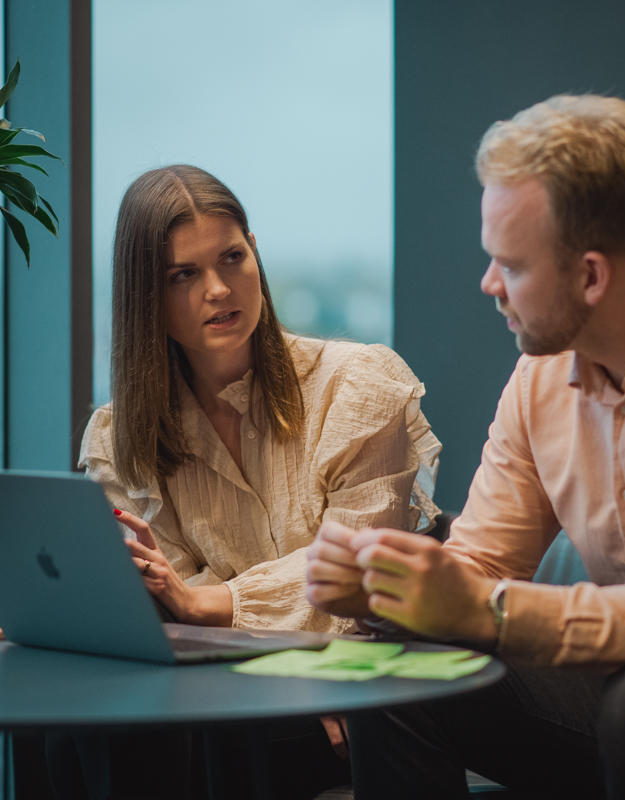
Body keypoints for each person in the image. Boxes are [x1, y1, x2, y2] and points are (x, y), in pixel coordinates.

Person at [306, 94, 625, 799]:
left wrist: (493, 611)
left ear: (592, 275)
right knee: (401, 664)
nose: (489, 285)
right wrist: (389, 590)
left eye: (510, 264)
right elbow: (479, 564)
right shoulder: (540, 379)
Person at [48, 164, 441, 800]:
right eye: (184, 274)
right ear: (145, 292)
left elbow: (355, 577)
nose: (219, 289)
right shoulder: (119, 434)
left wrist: (218, 604)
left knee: (186, 734)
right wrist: (222, 628)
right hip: (224, 684)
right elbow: (166, 600)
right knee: (92, 725)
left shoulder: (357, 385)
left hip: (345, 680)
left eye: (233, 257)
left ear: (255, 253)